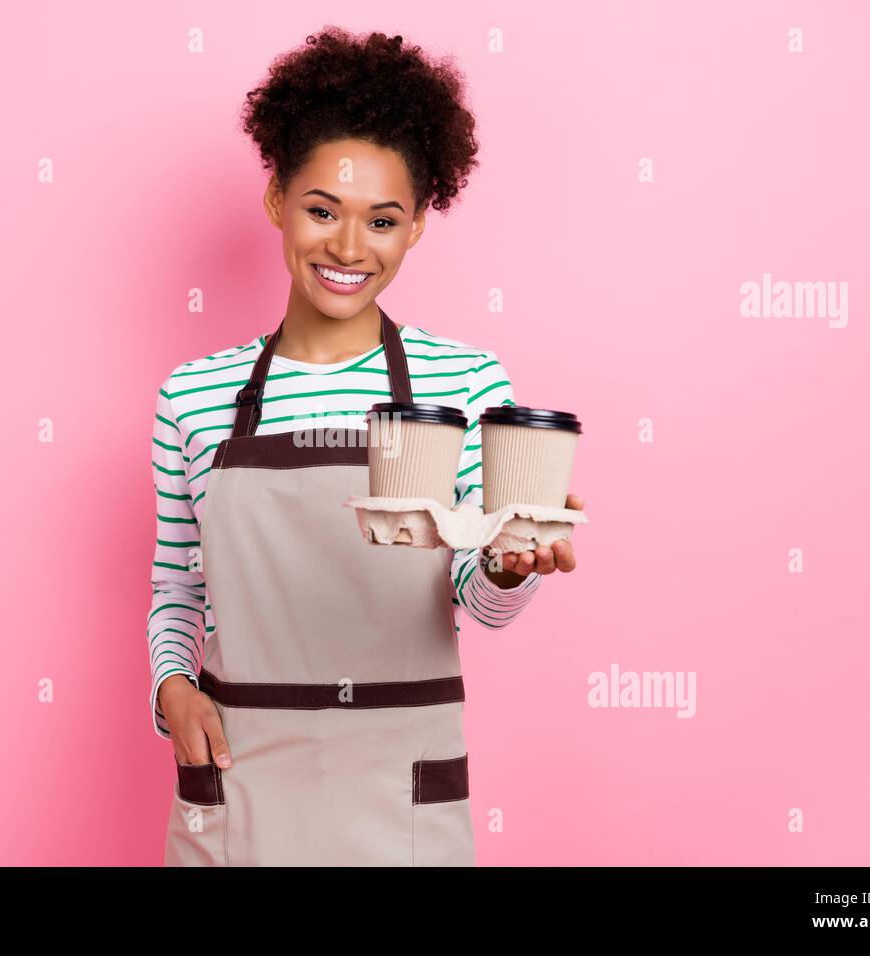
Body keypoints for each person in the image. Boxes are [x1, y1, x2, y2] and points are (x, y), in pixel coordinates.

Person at [147, 27, 585, 866]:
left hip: (401, 788)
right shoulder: (193, 400)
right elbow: (177, 584)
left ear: (418, 224)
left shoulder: (462, 384)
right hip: (242, 780)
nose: (349, 249)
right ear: (276, 199)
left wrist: (505, 563)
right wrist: (172, 690)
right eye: (322, 211)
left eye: (382, 221)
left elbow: (477, 601)